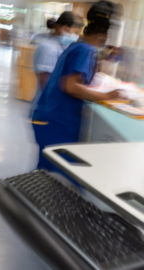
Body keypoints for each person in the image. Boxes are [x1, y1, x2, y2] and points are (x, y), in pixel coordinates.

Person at [32, 1, 124, 172]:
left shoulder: (78, 46)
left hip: (48, 118)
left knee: (45, 172)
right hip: (57, 122)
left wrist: (105, 57)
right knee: (56, 176)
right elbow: (71, 86)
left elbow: (80, 74)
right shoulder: (85, 50)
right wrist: (107, 96)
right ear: (103, 36)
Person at [29, 12, 83, 118]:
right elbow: (45, 83)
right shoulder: (49, 48)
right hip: (46, 109)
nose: (76, 37)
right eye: (75, 33)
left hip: (52, 107)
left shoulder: (59, 45)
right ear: (64, 28)